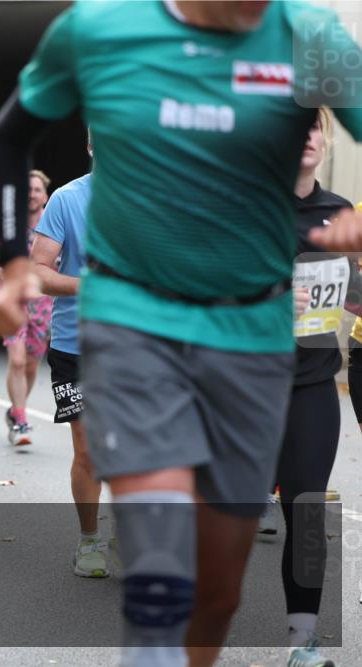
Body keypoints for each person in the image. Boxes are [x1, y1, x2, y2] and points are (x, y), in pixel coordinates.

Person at [0, 2, 362, 666]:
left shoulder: (310, 34)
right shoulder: (99, 30)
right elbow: (10, 136)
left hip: (252, 334)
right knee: (161, 569)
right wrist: (16, 260)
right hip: (136, 323)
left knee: (216, 591)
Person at [272, 108, 361, 667]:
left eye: (315, 126)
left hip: (311, 387)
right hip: (240, 390)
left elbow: (351, 296)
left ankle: (302, 643)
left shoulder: (341, 214)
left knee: (306, 514)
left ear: (325, 140)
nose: (307, 135)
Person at [29, 134, 106, 577]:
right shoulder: (67, 198)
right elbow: (39, 273)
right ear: (92, 145)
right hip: (76, 344)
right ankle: (91, 540)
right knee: (89, 453)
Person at [2, 169, 51, 445]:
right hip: (13, 299)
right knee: (18, 360)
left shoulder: (53, 221)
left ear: (44, 195)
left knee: (31, 365)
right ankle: (21, 421)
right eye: (27, 189)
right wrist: (0, 269)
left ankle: (15, 409)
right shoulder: (10, 221)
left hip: (44, 305)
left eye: (36, 190)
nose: (31, 194)